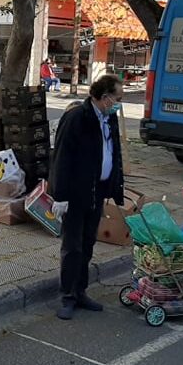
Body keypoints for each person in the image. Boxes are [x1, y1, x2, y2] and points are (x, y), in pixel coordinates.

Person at [49, 75, 126, 320]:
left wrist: (115, 186)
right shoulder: (76, 118)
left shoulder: (108, 117)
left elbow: (114, 153)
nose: (119, 104)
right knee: (72, 247)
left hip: (98, 191)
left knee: (88, 244)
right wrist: (59, 196)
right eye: (118, 98)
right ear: (104, 98)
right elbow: (61, 158)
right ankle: (67, 296)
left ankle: (80, 290)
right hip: (75, 194)